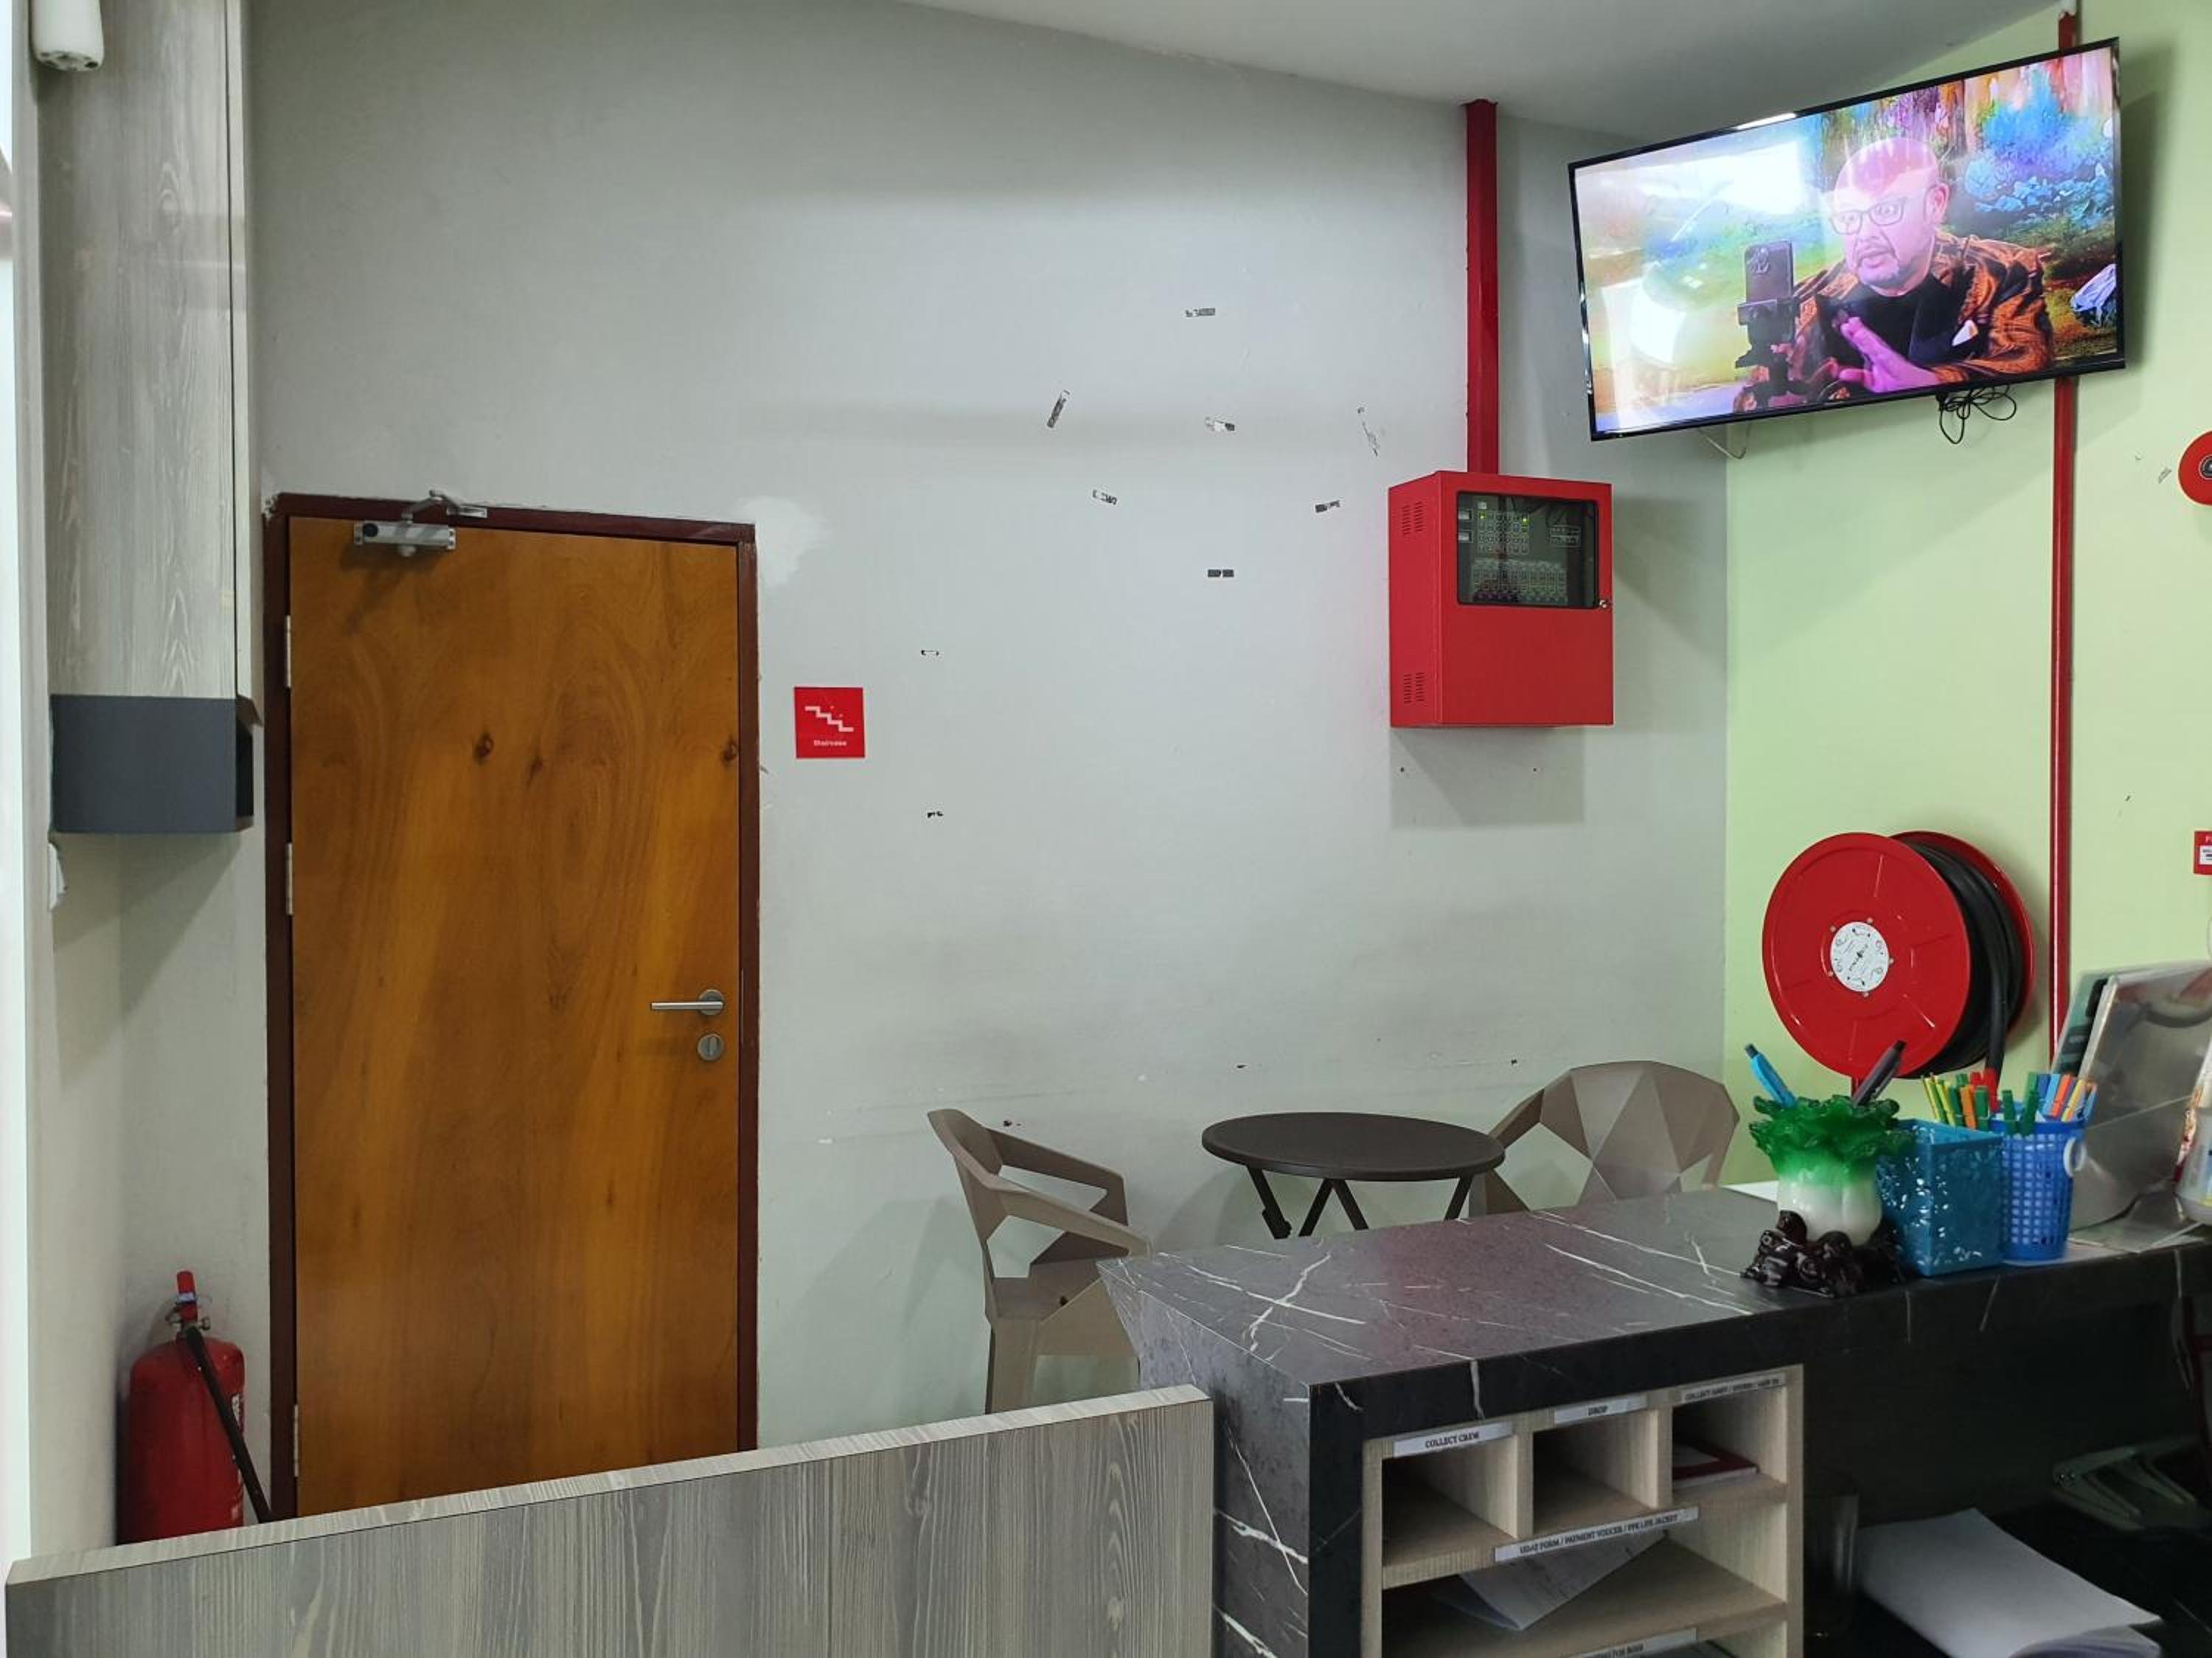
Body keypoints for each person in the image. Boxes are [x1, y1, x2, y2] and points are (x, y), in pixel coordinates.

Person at [1742, 136, 2053, 406]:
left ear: (1935, 204)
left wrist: (1931, 382)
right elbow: (1747, 407)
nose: (1865, 235)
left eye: (1886, 210)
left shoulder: (2002, 270)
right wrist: (1782, 395)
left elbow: (2027, 359)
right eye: (1849, 217)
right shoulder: (1806, 301)